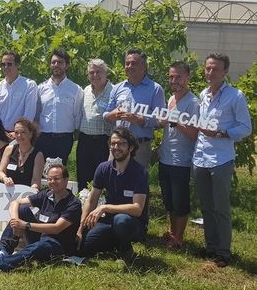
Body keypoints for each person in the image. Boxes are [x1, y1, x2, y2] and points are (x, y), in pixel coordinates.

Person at [193, 53, 252, 268]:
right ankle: (210, 246)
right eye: (208, 68)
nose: (210, 73)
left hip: (221, 159)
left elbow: (246, 128)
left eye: (215, 69)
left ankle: (224, 252)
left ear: (225, 72)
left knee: (221, 207)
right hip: (200, 157)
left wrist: (221, 133)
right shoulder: (203, 94)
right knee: (206, 206)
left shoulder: (235, 96)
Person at [0, 164, 82, 277]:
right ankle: (3, 252)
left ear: (66, 180)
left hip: (57, 245)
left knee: (39, 246)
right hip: (40, 237)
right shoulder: (46, 194)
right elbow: (15, 203)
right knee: (22, 210)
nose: (52, 182)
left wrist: (25, 225)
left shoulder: (74, 203)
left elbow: (56, 228)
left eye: (56, 178)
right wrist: (16, 222)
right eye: (49, 179)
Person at [78, 127, 149, 262]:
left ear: (131, 147)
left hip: (133, 223)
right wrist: (80, 228)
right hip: (110, 220)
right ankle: (114, 243)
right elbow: (92, 200)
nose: (116, 147)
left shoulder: (139, 172)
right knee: (84, 246)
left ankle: (126, 249)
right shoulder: (103, 168)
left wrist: (105, 208)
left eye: (121, 143)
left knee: (121, 221)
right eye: (113, 143)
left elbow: (137, 209)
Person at [158, 61, 200, 249]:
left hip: (181, 160)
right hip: (165, 157)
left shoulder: (193, 103)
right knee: (169, 200)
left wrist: (175, 121)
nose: (174, 80)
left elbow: (195, 134)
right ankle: (172, 232)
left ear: (187, 78)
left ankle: (178, 239)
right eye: (171, 76)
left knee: (180, 201)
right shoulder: (170, 99)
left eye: (178, 77)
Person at [104, 49, 165, 169]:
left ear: (144, 66)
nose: (130, 66)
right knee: (113, 180)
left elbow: (160, 119)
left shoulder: (156, 89)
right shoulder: (117, 88)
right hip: (117, 145)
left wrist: (140, 119)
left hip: (139, 146)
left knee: (137, 183)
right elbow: (106, 114)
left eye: (134, 63)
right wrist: (112, 115)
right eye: (127, 63)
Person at [37, 48, 83, 165]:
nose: (56, 65)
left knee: (59, 173)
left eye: (60, 62)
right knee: (41, 172)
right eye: (53, 62)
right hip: (43, 138)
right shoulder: (40, 89)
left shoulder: (76, 90)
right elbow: (37, 113)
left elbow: (77, 115)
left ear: (67, 65)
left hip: (64, 139)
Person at [76, 58, 114, 190]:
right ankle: (83, 205)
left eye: (99, 72)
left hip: (104, 142)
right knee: (83, 177)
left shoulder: (114, 92)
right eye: (91, 72)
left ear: (106, 73)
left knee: (102, 178)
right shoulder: (85, 90)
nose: (95, 75)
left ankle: (101, 208)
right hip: (85, 140)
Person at [0, 51, 37, 136]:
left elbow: (29, 114)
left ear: (18, 65)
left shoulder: (29, 85)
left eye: (9, 64)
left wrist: (17, 132)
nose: (6, 67)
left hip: (21, 135)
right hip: (0, 135)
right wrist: (0, 132)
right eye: (3, 64)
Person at [0, 118, 44, 190]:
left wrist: (31, 191)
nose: (19, 135)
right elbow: (1, 172)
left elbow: (36, 181)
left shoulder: (38, 155)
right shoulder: (9, 149)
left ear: (31, 134)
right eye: (16, 132)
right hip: (7, 192)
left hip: (26, 194)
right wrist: (5, 178)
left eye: (23, 132)